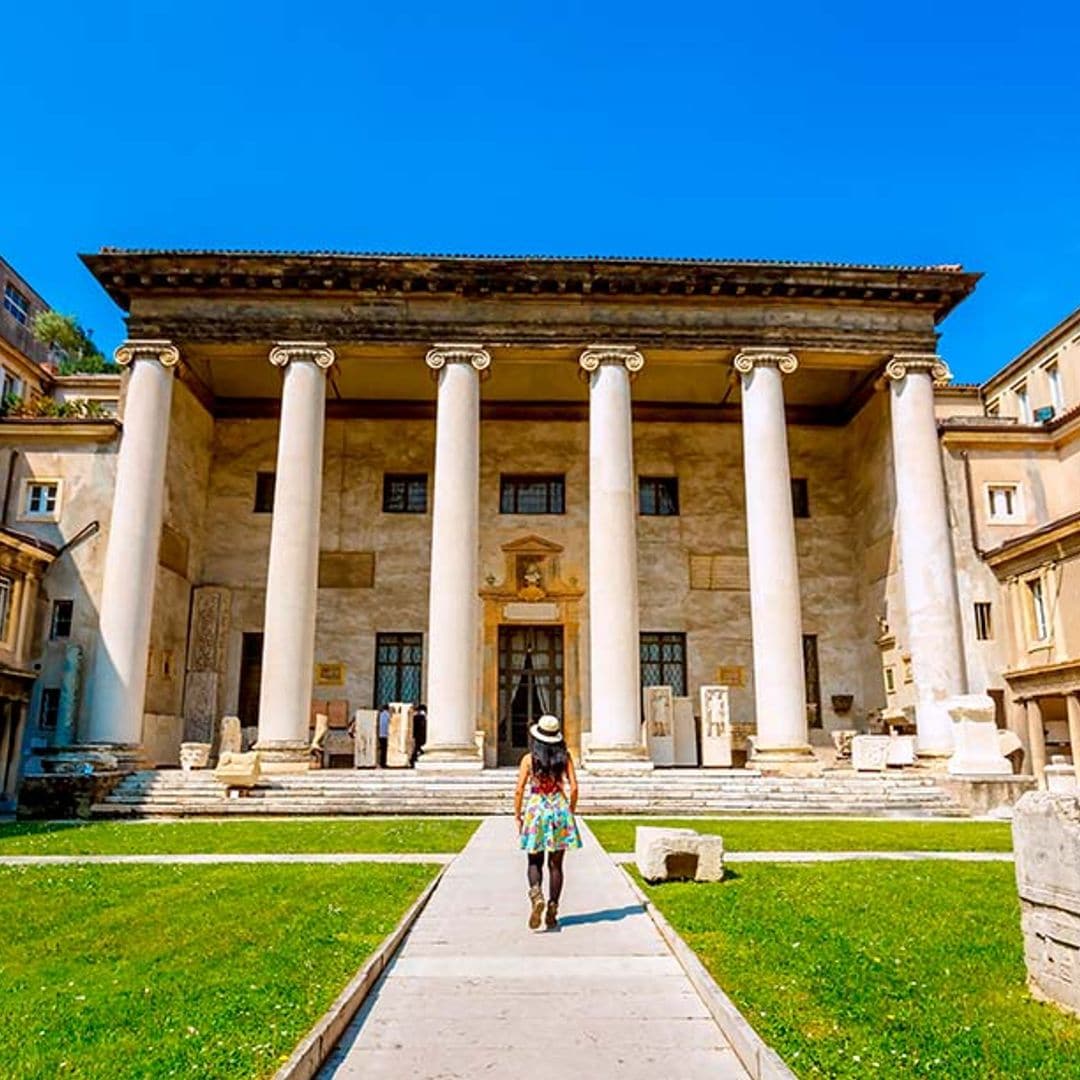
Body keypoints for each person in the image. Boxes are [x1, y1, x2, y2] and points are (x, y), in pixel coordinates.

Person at [514, 714, 581, 931]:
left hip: (536, 809)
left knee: (534, 861)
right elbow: (575, 787)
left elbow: (519, 790)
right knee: (556, 864)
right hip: (559, 808)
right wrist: (569, 810)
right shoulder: (565, 758)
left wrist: (518, 815)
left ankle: (536, 896)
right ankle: (553, 908)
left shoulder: (528, 760)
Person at [377, 703, 391, 768]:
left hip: (380, 734)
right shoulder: (388, 715)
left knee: (382, 749)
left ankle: (380, 762)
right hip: (386, 735)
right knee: (385, 750)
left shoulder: (380, 715)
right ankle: (384, 763)